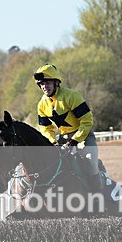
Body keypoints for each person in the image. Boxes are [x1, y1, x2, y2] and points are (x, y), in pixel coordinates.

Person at [33, 63, 103, 191]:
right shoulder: (41, 104)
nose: (44, 86)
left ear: (56, 83)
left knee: (91, 166)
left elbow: (87, 121)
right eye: (42, 84)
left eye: (47, 83)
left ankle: (98, 198)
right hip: (63, 139)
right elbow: (45, 128)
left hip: (84, 137)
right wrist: (53, 142)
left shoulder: (72, 96)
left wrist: (74, 140)